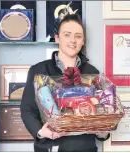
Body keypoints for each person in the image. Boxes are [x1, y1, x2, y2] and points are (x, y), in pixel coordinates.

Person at [21, 14, 110, 152]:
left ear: (83, 41)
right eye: (67, 35)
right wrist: (40, 131)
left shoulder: (93, 73)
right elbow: (27, 109)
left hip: (85, 148)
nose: (73, 40)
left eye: (78, 36)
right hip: (50, 147)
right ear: (57, 37)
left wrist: (103, 133)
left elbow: (102, 110)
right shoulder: (38, 70)